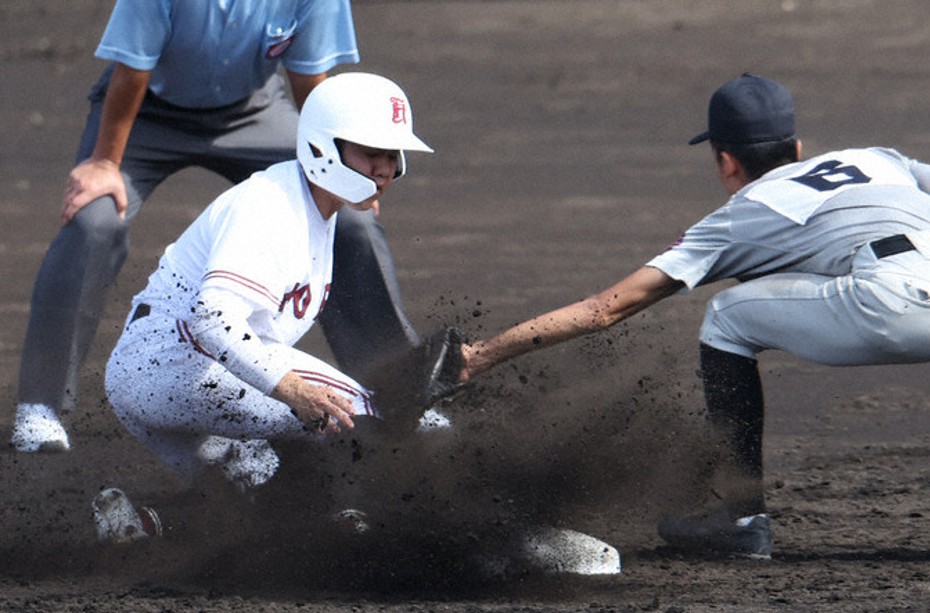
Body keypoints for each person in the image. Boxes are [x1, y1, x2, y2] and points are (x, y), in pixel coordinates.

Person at [460, 73, 930, 559]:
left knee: (727, 319)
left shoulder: (738, 213)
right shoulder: (871, 158)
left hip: (900, 300)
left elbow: (605, 308)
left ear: (725, 161)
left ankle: (737, 517)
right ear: (798, 145)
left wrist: (480, 354)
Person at [90, 73, 622, 577]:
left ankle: (143, 521)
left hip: (155, 378)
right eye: (372, 153)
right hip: (176, 364)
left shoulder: (315, 209)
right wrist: (292, 390)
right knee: (380, 417)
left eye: (393, 156)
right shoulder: (269, 208)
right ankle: (504, 540)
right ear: (324, 147)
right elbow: (212, 318)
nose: (387, 168)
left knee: (265, 503)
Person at [12, 0, 427, 453]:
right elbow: (131, 68)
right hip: (146, 108)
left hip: (254, 112)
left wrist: (349, 177)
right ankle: (41, 404)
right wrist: (105, 162)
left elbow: (313, 85)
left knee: (353, 225)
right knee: (93, 222)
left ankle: (396, 388)